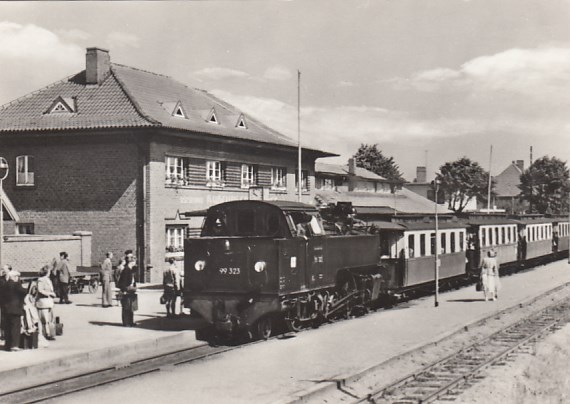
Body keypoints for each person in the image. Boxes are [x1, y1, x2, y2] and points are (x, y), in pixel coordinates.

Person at [3, 270, 27, 351]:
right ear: (14, 277)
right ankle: (14, 345)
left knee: (7, 327)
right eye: (17, 277)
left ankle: (7, 345)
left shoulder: (4, 285)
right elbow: (24, 292)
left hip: (5, 309)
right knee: (15, 328)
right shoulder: (16, 285)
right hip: (15, 309)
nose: (18, 278)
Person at [36, 265, 56, 340]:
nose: (50, 273)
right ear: (46, 272)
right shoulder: (41, 280)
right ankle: (45, 334)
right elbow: (40, 290)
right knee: (44, 320)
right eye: (49, 271)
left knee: (50, 319)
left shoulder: (48, 279)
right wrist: (49, 294)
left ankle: (49, 333)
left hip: (49, 302)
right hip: (43, 302)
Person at [118, 250, 138, 327]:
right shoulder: (126, 270)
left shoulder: (130, 269)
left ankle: (131, 321)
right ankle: (126, 322)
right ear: (129, 260)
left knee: (131, 307)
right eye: (132, 258)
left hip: (131, 289)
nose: (133, 259)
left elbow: (136, 269)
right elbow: (121, 282)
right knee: (126, 307)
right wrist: (124, 290)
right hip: (127, 290)